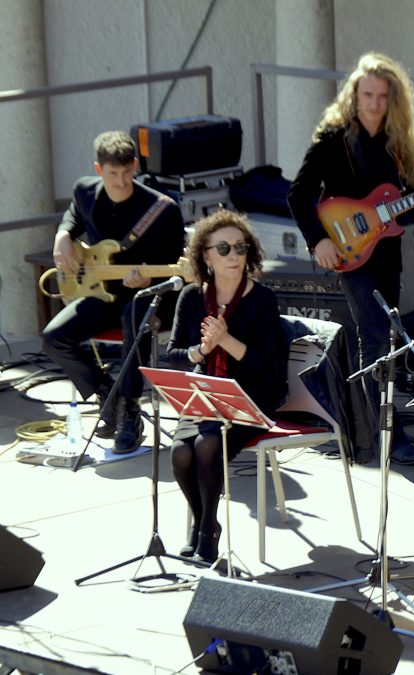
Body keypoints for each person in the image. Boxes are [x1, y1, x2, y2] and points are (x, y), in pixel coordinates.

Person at [287, 52, 414, 465]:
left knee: (385, 341)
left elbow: (401, 211)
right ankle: (375, 439)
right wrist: (317, 241)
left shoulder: (398, 145)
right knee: (375, 338)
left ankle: (375, 435)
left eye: (381, 96)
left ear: (392, 99)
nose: (374, 103)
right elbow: (298, 194)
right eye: (367, 94)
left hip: (386, 256)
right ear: (354, 95)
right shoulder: (333, 139)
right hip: (347, 254)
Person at [42, 130, 185, 454]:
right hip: (102, 290)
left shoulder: (162, 208)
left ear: (134, 166)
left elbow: (175, 267)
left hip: (150, 295)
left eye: (126, 173)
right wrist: (63, 235)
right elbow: (75, 215)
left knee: (134, 314)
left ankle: (130, 410)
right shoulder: (85, 191)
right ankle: (109, 395)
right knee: (53, 338)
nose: (120, 182)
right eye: (113, 174)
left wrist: (147, 281)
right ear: (98, 170)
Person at [165, 210, 287, 562]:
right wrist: (201, 350)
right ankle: (204, 522)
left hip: (251, 398)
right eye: (223, 249)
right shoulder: (190, 298)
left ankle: (205, 529)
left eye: (240, 247)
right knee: (180, 453)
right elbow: (173, 355)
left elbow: (271, 367)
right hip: (204, 398)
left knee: (205, 445)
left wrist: (226, 340)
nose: (233, 256)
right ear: (205, 255)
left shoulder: (262, 300)